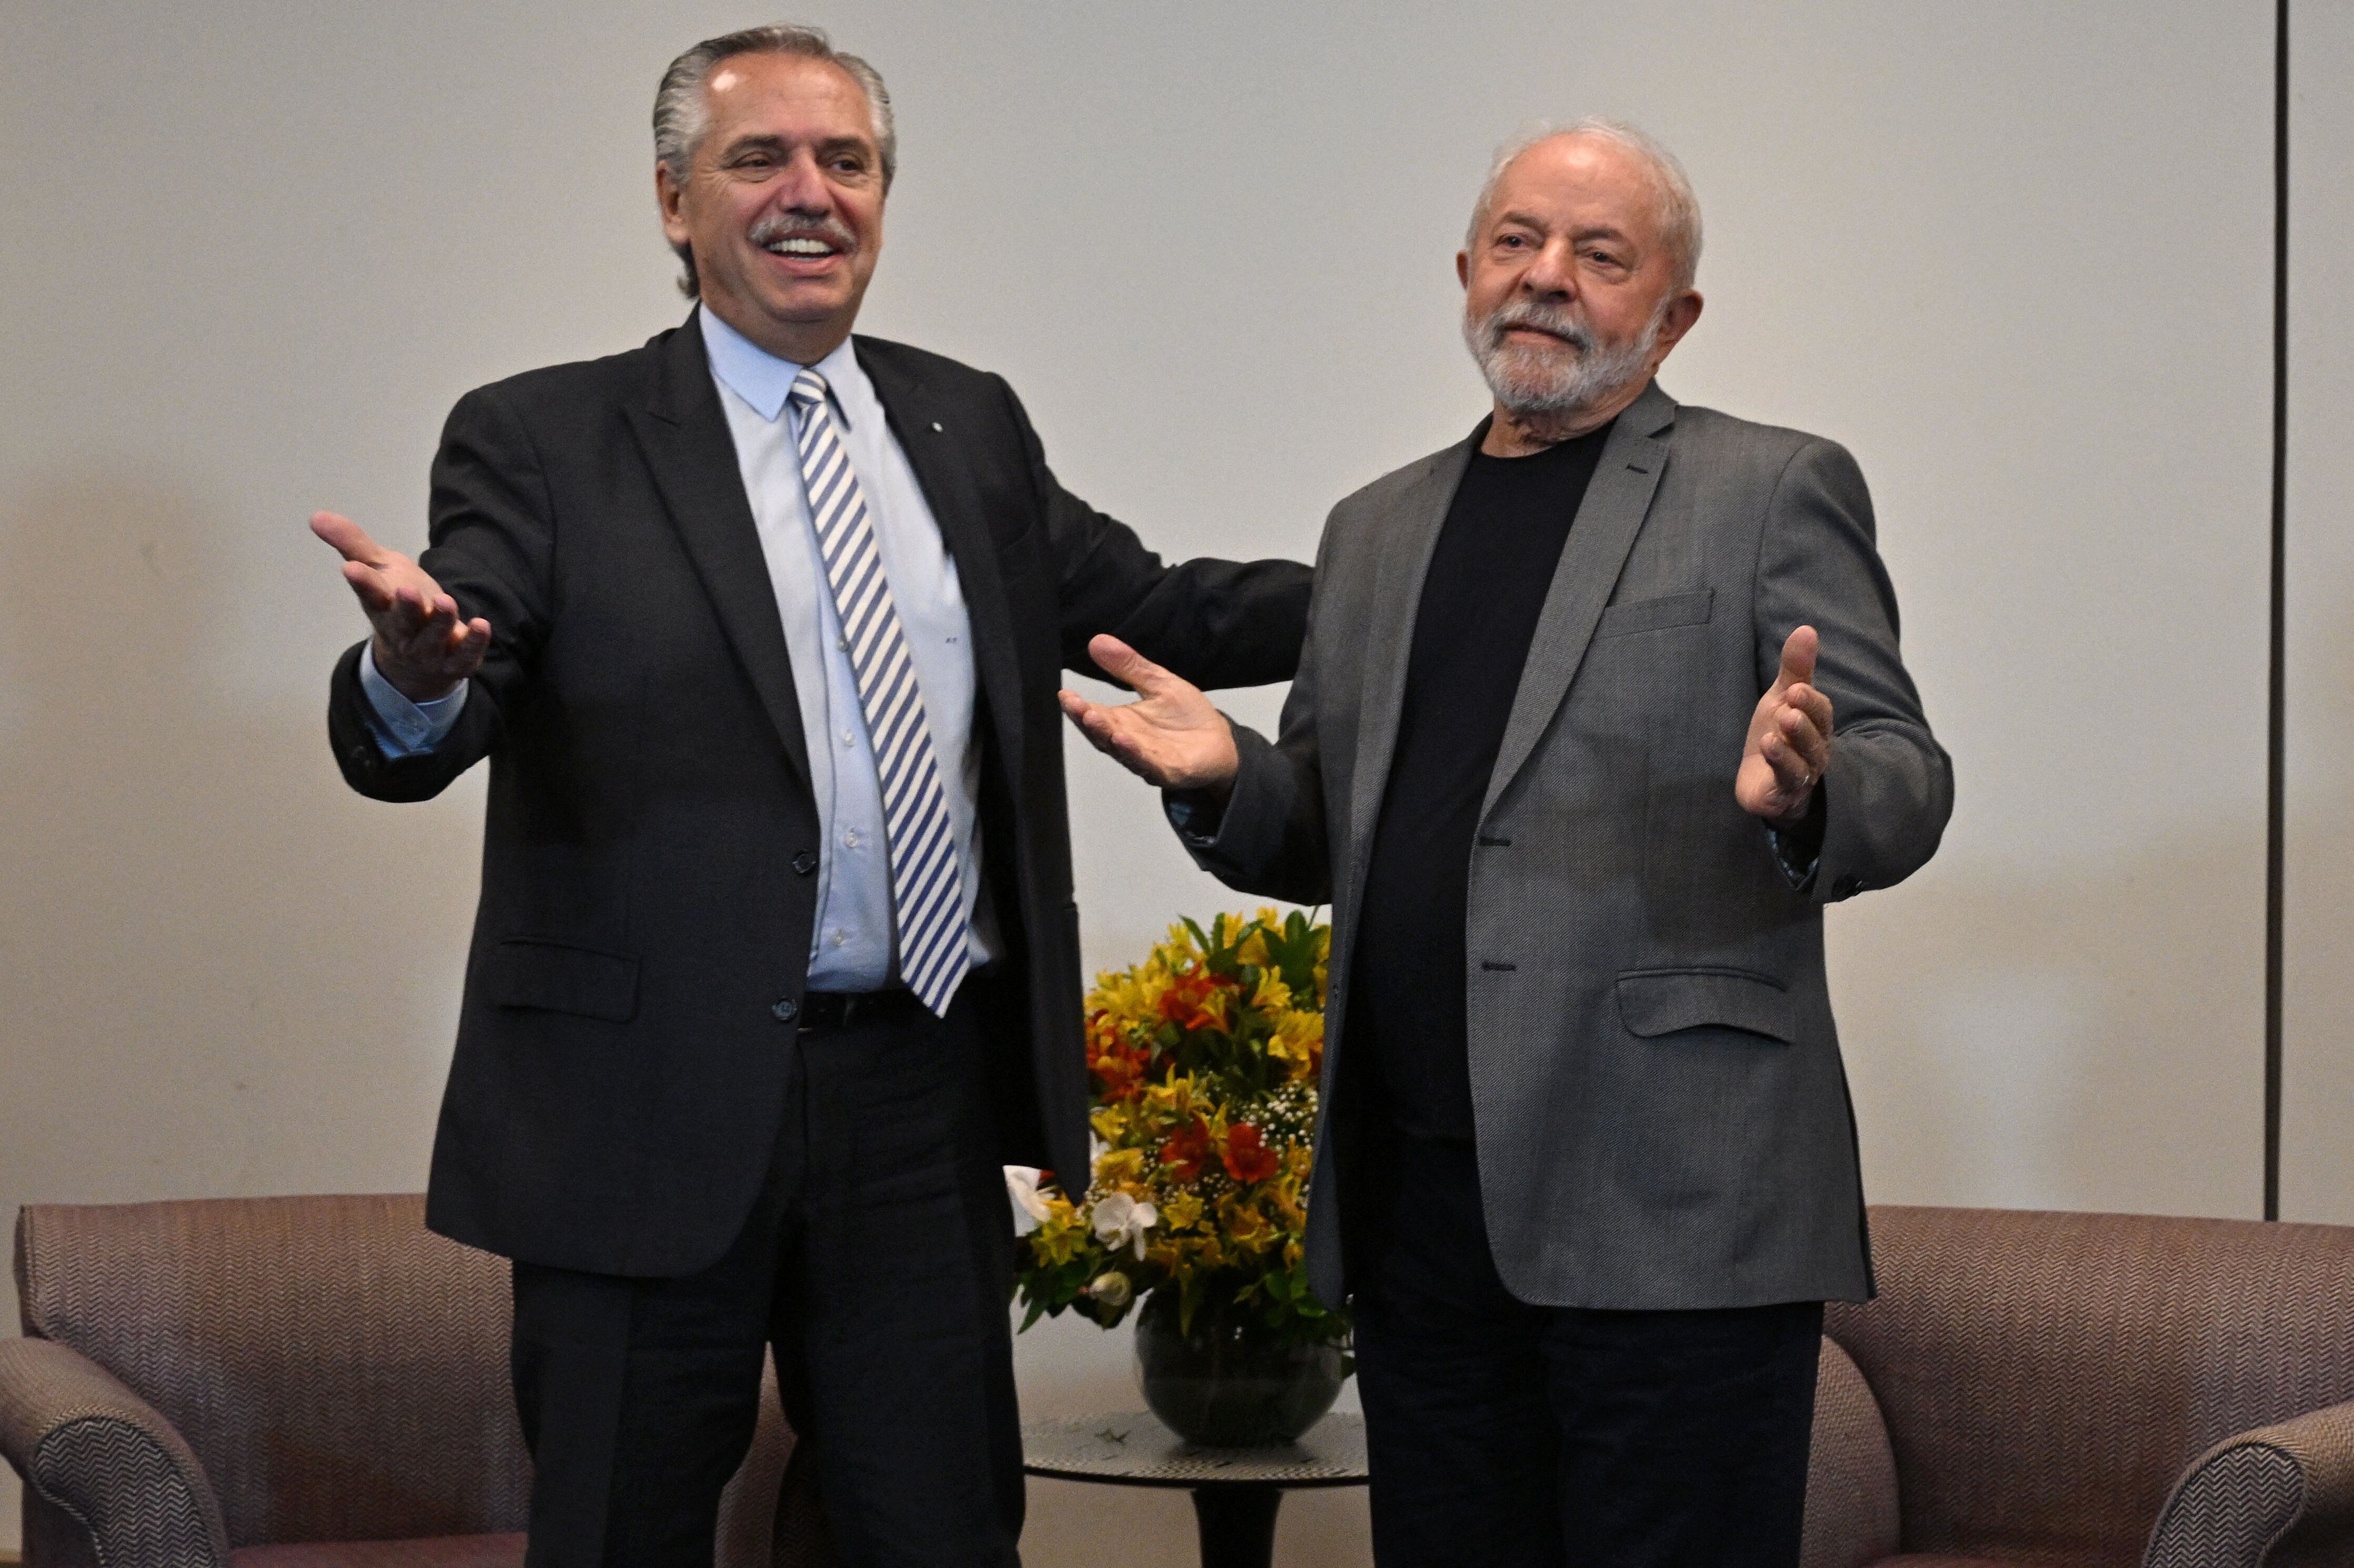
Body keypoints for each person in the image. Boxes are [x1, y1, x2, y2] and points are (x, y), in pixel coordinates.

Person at [312, 24, 1308, 1567]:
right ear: (672, 202)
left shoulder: (964, 420)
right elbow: (449, 686)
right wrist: (417, 671)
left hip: (913, 1096)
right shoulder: (546, 436)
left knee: (937, 1534)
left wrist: (1406, 577)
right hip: (634, 1113)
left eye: (845, 161)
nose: (810, 192)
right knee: (619, 1533)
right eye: (758, 157)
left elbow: (1156, 607)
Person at [1060, 119, 1953, 1567]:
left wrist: (1811, 790)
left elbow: (1908, 774)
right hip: (1425, 1211)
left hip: (1673, 1203)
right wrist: (1234, 781)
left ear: (1674, 318)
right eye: (1520, 243)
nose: (1548, 279)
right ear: (1467, 270)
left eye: (1602, 258)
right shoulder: (1374, 530)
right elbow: (1338, 828)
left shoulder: (1772, 485)